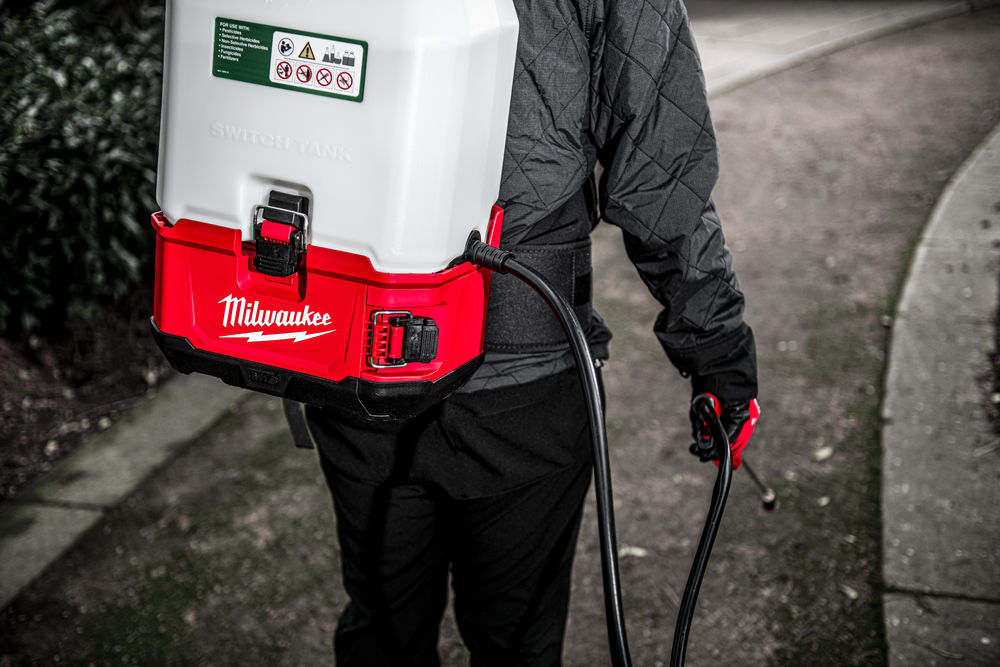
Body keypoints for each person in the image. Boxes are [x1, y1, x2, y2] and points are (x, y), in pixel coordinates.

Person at [304, 0, 759, 664]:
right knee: (512, 642)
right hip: (510, 386)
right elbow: (661, 179)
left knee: (384, 629)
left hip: (360, 361)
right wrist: (718, 354)